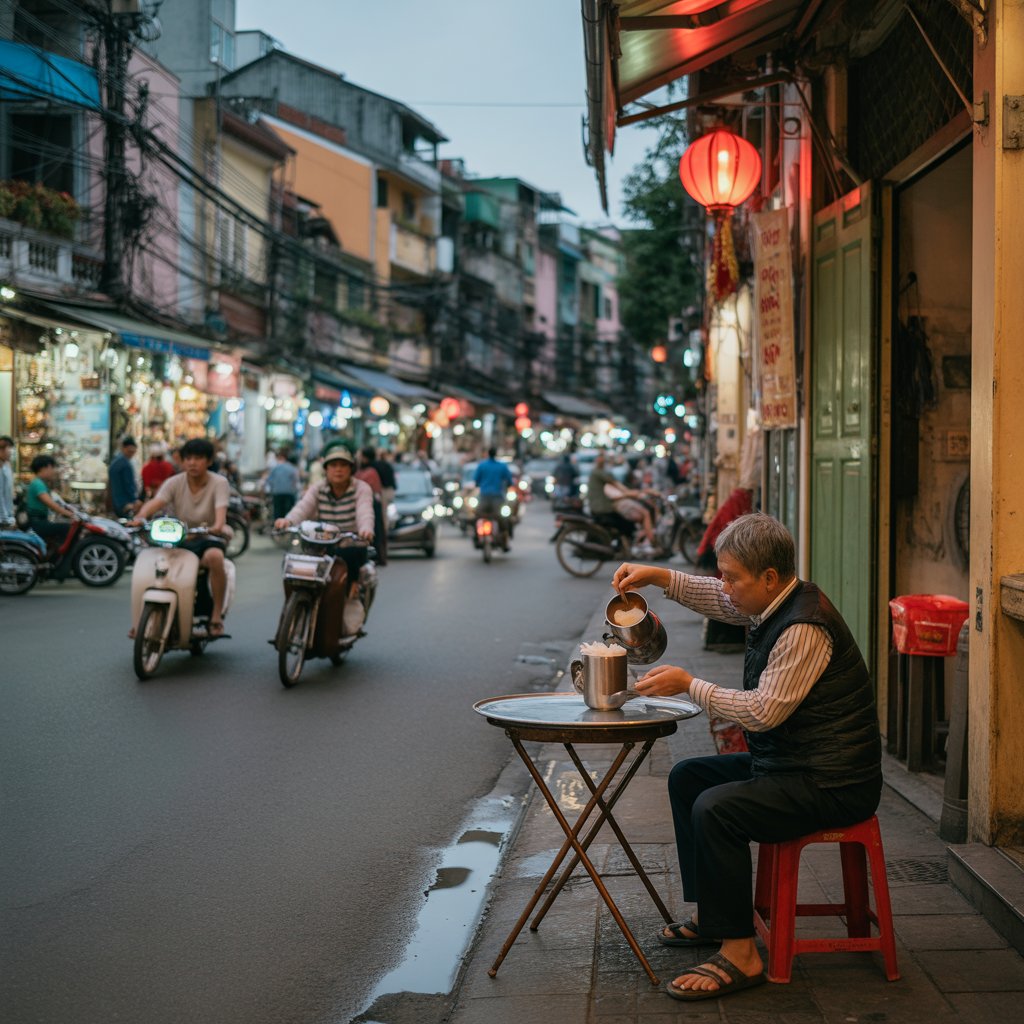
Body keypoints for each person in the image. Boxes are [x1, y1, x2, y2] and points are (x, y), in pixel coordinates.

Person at [611, 512, 882, 1002]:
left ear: (769, 578)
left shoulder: (803, 627)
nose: (725, 587)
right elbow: (717, 598)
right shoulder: (770, 601)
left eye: (732, 577)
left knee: (718, 809)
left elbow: (762, 712)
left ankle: (741, 954)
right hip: (791, 763)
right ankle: (715, 917)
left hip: (832, 781)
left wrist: (689, 685)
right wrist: (658, 577)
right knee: (689, 778)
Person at [131, 437, 233, 637]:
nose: (192, 463)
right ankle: (139, 621)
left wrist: (216, 527)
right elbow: (156, 502)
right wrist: (140, 517)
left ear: (209, 461)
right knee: (153, 563)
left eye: (198, 458)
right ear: (182, 460)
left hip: (206, 537)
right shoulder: (174, 482)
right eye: (188, 458)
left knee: (215, 557)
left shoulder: (219, 483)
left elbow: (220, 516)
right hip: (180, 537)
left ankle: (215, 615)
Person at [274, 441, 374, 633]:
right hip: (319, 544)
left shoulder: (361, 489)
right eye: (333, 465)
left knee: (345, 569)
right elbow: (303, 508)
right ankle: (293, 612)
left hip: (350, 544)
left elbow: (365, 512)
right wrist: (287, 521)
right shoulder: (317, 488)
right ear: (326, 469)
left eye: (343, 465)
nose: (338, 470)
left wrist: (365, 530)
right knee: (293, 565)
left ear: (351, 469)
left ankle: (349, 602)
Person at [586, 451, 651, 550]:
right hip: (604, 508)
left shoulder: (600, 472)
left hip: (600, 505)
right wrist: (632, 493)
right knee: (627, 523)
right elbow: (618, 486)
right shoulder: (600, 473)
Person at [24, 454, 76, 548]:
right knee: (67, 528)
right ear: (44, 468)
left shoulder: (39, 482)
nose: (53, 471)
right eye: (52, 467)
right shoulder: (38, 484)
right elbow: (52, 504)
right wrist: (70, 514)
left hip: (39, 521)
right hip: (37, 523)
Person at [473, 447, 513, 521]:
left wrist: (478, 484)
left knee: (477, 515)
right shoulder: (502, 466)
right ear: (496, 454)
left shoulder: (482, 465)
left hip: (484, 497)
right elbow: (509, 480)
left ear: (488, 454)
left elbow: (476, 480)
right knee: (503, 518)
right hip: (498, 497)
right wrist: (508, 485)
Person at [108, 437, 140, 517]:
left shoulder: (115, 461)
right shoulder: (125, 464)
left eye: (133, 452)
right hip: (125, 503)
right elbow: (129, 484)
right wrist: (134, 500)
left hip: (116, 501)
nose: (131, 454)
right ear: (123, 448)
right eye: (130, 451)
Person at [265, 451, 301, 521]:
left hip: (277, 493)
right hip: (289, 493)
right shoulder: (292, 468)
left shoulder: (275, 468)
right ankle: (287, 525)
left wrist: (272, 490)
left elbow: (269, 480)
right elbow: (295, 481)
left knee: (278, 512)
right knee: (289, 512)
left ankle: (278, 526)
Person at [0, 435, 14, 525]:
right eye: (9, 449)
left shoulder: (6, 465)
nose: (11, 453)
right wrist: (5, 519)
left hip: (7, 516)